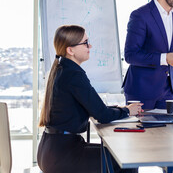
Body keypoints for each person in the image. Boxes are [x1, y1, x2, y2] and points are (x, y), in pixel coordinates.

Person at [37, 25, 142, 173]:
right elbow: (102, 115)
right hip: (63, 155)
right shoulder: (73, 75)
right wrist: (127, 111)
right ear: (70, 50)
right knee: (127, 160)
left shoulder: (63, 70)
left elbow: (95, 108)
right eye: (85, 42)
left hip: (52, 151)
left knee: (119, 155)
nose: (90, 46)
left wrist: (123, 110)